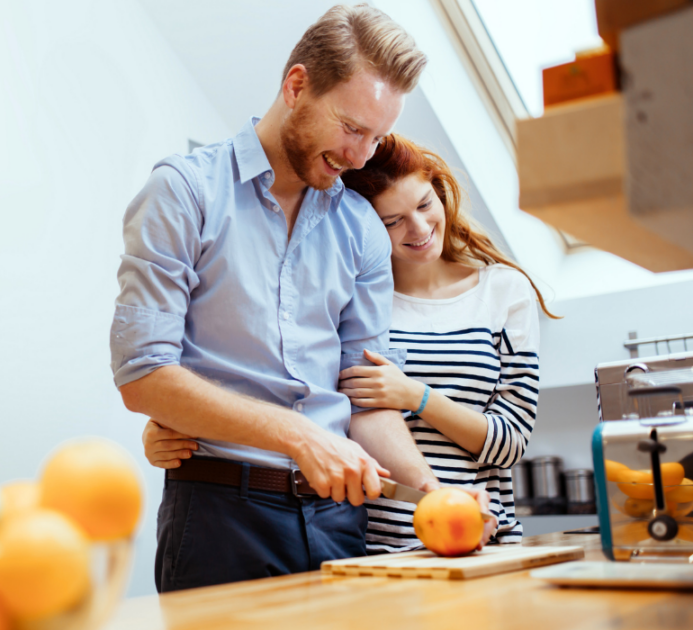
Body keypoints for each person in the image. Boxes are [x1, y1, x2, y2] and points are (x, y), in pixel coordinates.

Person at [111, 5, 491, 593]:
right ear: (296, 86)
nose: (362, 156)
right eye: (352, 128)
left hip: (339, 522)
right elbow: (143, 375)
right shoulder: (183, 193)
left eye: (378, 136)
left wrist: (431, 486)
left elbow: (365, 398)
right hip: (217, 517)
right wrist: (298, 435)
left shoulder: (362, 227)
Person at [144, 134, 553, 553]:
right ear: (367, 226)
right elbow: (302, 394)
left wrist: (416, 396)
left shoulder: (504, 291)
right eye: (392, 221)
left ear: (440, 190)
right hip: (372, 539)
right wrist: (180, 421)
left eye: (425, 204)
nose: (419, 229)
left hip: (474, 527)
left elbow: (511, 442)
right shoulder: (349, 299)